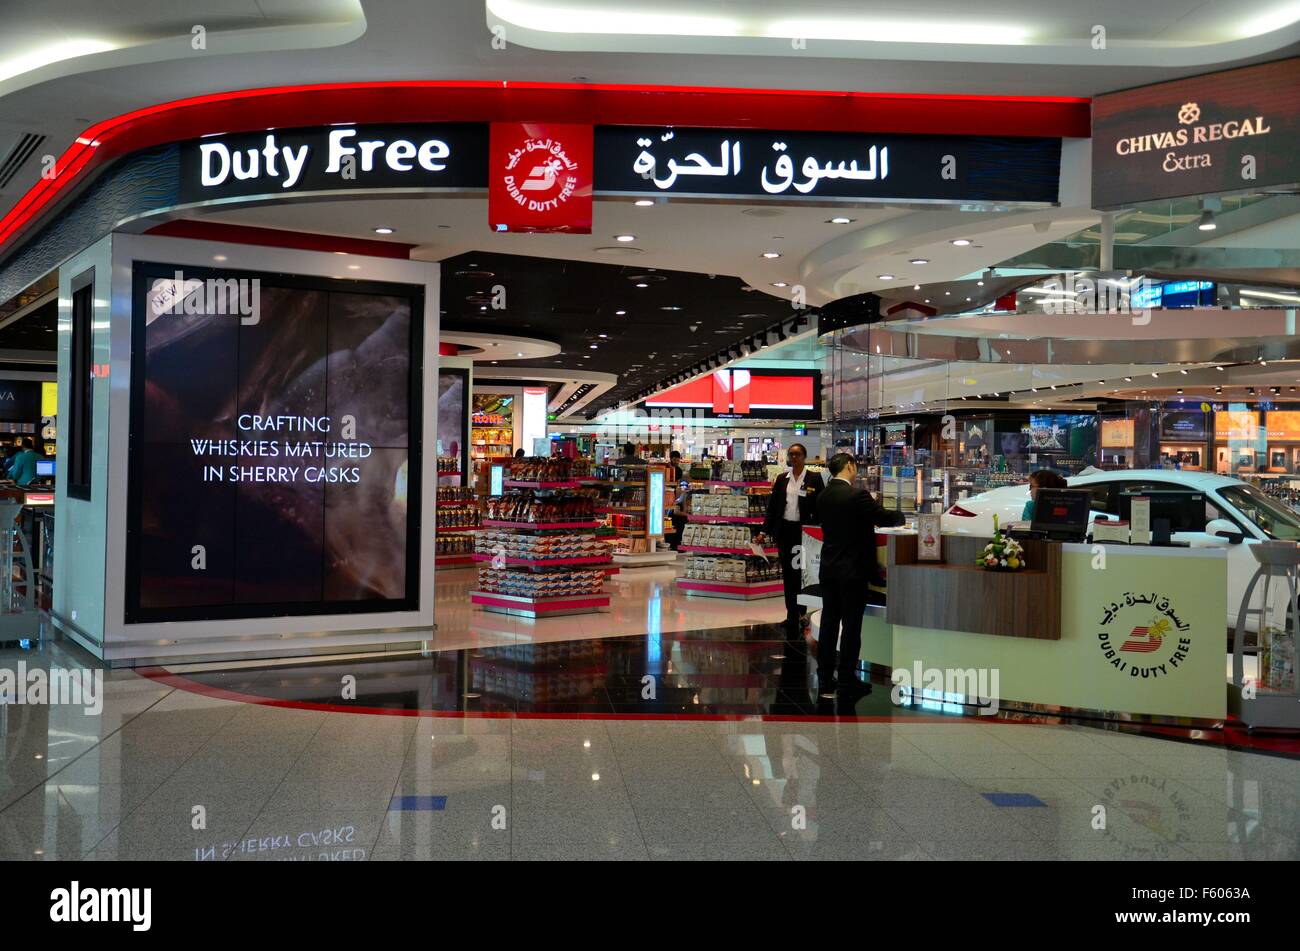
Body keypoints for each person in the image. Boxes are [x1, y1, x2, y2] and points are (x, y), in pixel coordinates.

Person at [814, 452, 905, 698]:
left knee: (829, 624)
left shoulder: (823, 496)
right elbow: (883, 517)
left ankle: (824, 677)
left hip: (830, 569)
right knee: (852, 627)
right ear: (850, 466)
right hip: (853, 571)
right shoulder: (857, 495)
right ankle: (846, 678)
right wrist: (903, 516)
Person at [759, 443, 825, 636]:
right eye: (791, 454)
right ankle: (791, 614)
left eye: (797, 454)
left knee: (802, 574)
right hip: (785, 531)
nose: (794, 458)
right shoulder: (781, 479)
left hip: (804, 533)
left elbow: (820, 506)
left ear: (805, 457)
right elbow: (772, 509)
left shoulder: (814, 478)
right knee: (788, 574)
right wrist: (764, 531)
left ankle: (802, 613)